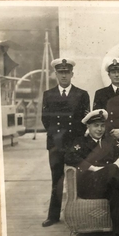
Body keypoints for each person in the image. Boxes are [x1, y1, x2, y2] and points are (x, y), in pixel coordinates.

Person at [41, 58, 90, 227]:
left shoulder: (81, 94)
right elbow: (45, 120)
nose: (64, 76)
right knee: (57, 179)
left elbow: (85, 119)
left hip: (75, 143)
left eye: (66, 72)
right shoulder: (48, 94)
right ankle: (53, 216)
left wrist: (78, 142)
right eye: (60, 72)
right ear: (56, 74)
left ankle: (80, 213)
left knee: (79, 177)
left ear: (72, 74)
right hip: (56, 144)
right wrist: (56, 138)